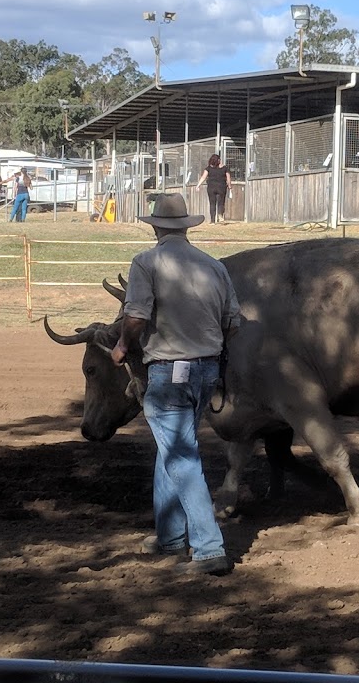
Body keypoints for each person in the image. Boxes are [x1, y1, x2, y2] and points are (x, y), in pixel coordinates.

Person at [111, 192, 241, 577]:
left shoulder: (146, 263)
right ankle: (169, 537)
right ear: (185, 226)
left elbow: (135, 316)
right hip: (206, 371)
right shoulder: (214, 267)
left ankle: (208, 548)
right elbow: (233, 322)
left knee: (181, 456)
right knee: (174, 447)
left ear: (154, 226)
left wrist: (121, 346)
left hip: (168, 371)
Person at [195, 154, 231, 224]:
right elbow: (228, 178)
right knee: (221, 203)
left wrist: (198, 185)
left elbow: (203, 177)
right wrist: (229, 186)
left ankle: (212, 221)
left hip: (211, 188)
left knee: (212, 203)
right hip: (222, 187)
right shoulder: (225, 168)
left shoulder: (208, 168)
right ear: (218, 160)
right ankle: (220, 215)